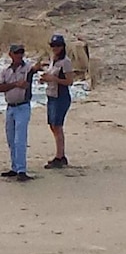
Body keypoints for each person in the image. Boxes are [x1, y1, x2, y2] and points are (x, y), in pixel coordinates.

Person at [0, 44, 44, 181]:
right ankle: (15, 167)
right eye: (17, 53)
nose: (19, 55)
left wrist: (39, 67)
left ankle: (21, 170)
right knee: (11, 138)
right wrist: (15, 84)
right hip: (10, 107)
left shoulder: (27, 68)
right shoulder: (6, 71)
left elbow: (34, 69)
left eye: (21, 53)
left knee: (20, 139)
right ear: (11, 54)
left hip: (22, 106)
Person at [40, 34, 74, 169]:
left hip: (61, 97)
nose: (55, 48)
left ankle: (60, 156)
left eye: (57, 46)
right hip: (52, 96)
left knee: (57, 125)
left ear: (63, 47)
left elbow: (69, 81)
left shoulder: (65, 62)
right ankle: (60, 154)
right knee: (53, 125)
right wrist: (45, 79)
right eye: (53, 46)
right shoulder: (54, 60)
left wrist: (53, 79)